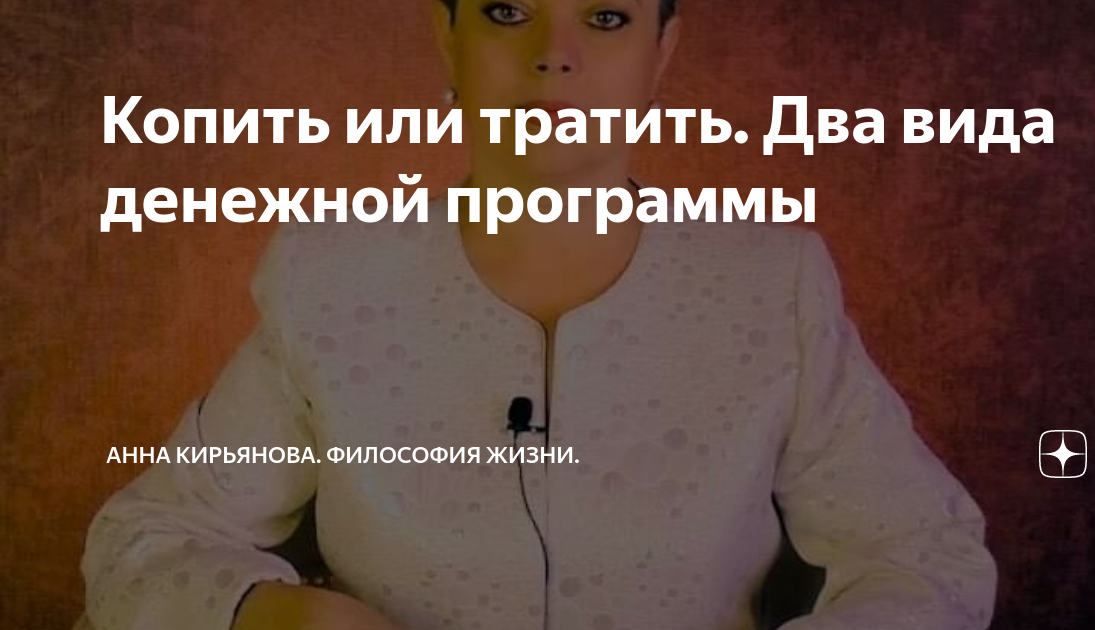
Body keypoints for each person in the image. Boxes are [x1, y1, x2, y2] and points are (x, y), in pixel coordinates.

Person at [81, 1, 999, 629]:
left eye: (606, 18)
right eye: (507, 11)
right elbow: (146, 542)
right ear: (447, 38)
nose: (554, 55)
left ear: (661, 55)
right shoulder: (329, 279)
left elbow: (925, 555)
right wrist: (276, 615)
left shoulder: (771, 282)